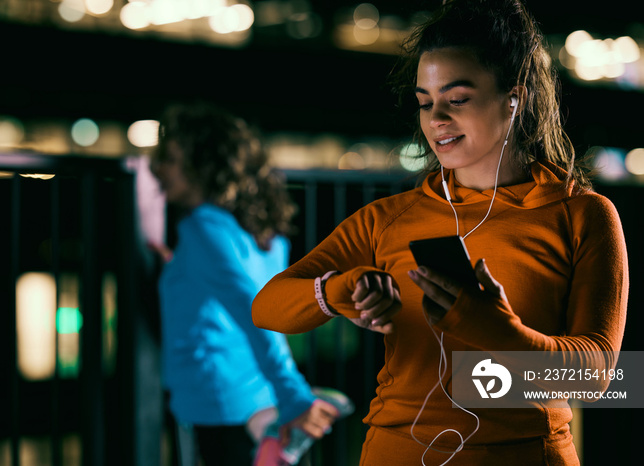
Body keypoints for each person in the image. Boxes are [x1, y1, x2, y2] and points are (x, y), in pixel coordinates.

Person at [252, 0, 629, 464]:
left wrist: (498, 332)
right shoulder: (388, 218)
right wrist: (340, 290)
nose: (436, 120)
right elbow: (266, 306)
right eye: (426, 102)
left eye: (458, 99)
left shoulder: (581, 214)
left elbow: (595, 378)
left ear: (516, 96)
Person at [149, 102, 339, 466]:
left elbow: (256, 311)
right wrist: (181, 269)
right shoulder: (258, 231)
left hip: (217, 404)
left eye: (170, 159)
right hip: (254, 398)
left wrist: (297, 399)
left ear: (201, 165)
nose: (160, 170)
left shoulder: (203, 227)